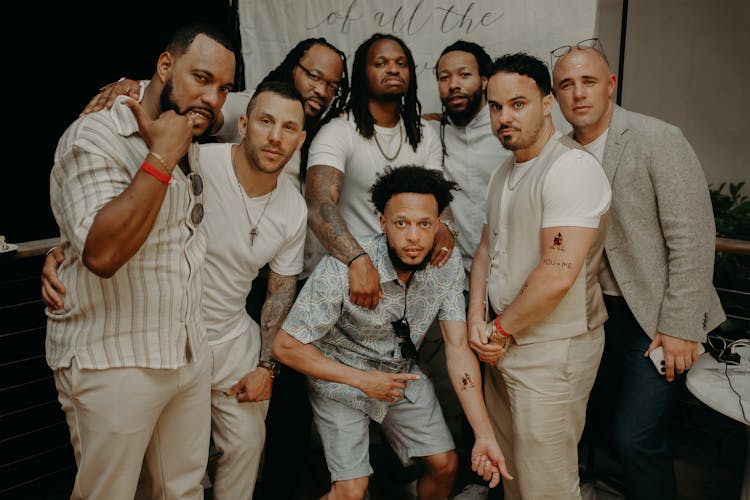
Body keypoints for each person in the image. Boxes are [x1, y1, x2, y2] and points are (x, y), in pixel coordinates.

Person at [44, 80, 308, 499]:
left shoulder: (295, 207)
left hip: (233, 342)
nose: (276, 136)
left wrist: (266, 366)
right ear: (243, 125)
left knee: (245, 447)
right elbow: (121, 210)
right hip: (168, 336)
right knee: (159, 475)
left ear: (301, 138)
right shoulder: (196, 161)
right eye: (266, 121)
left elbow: (280, 291)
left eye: (289, 128)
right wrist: (68, 249)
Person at [44, 22, 236, 499]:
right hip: (115, 358)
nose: (212, 98)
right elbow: (103, 254)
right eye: (202, 78)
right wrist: (161, 157)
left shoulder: (192, 120)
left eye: (224, 88)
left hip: (186, 352)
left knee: (183, 491)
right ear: (165, 66)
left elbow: (279, 106)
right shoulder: (94, 137)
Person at [551, 39, 725, 500]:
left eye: (588, 81)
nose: (578, 93)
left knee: (637, 438)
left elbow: (693, 238)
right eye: (566, 84)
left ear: (611, 85)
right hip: (594, 318)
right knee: (596, 430)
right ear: (555, 96)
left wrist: (682, 327)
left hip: (656, 317)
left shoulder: (658, 138)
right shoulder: (558, 152)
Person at [272, 165, 512, 500]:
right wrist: (361, 380)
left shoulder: (447, 266)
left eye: (424, 224)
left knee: (445, 466)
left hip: (401, 375)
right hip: (339, 379)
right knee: (351, 491)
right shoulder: (341, 268)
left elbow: (458, 349)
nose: (413, 237)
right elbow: (285, 346)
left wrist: (484, 434)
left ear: (439, 224)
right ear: (383, 223)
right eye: (401, 223)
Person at [467, 53, 611, 500]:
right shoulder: (503, 171)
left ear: (547, 102)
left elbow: (556, 274)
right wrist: (476, 319)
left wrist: (498, 328)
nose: (504, 117)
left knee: (547, 485)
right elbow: (486, 250)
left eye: (518, 104)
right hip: (501, 344)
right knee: (511, 475)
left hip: (553, 353)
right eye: (495, 107)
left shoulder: (572, 167)